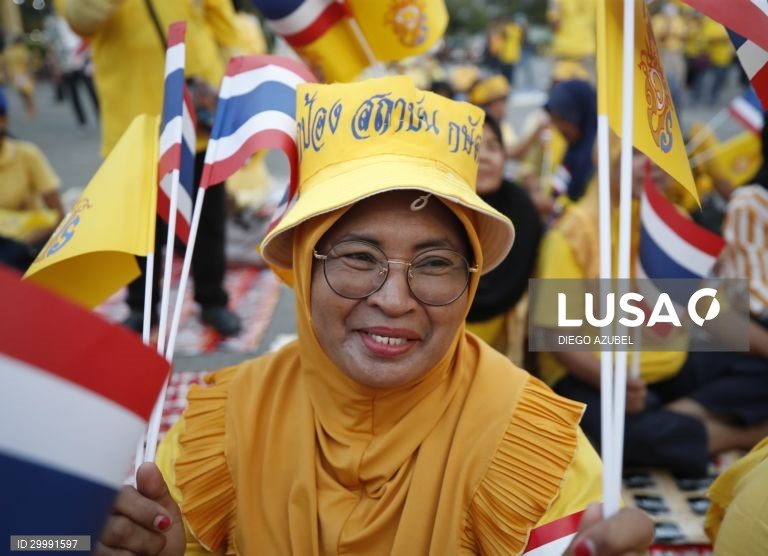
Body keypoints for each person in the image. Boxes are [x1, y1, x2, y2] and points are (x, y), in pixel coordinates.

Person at [96, 77, 653, 555]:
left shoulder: (526, 446)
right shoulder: (223, 429)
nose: (394, 299)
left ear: (471, 279)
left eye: (434, 264)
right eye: (359, 258)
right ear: (305, 268)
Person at [534, 147, 768, 478]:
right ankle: (742, 433)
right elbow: (557, 338)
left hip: (668, 367)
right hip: (594, 376)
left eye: (662, 153)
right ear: (606, 158)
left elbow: (708, 309)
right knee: (617, 434)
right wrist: (613, 380)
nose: (653, 165)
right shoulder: (573, 232)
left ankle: (674, 418)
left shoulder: (672, 224)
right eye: (635, 153)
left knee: (759, 370)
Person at [58, 0, 242, 337]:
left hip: (197, 112)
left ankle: (212, 300)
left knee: (207, 221)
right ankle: (141, 308)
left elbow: (221, 18)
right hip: (134, 122)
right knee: (139, 231)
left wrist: (229, 77)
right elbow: (80, 18)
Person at [466, 112, 543, 364]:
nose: (485, 157)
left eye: (493, 147)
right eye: (473, 146)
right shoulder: (430, 211)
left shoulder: (521, 211)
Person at [0, 89, 64, 271]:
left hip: (29, 246)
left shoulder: (26, 155)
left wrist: (24, 242)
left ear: (4, 120)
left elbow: (59, 215)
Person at [545, 79, 598, 203]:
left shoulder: (599, 158)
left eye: (562, 120)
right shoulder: (572, 152)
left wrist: (557, 206)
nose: (558, 128)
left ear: (581, 116)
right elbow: (557, 191)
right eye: (554, 121)